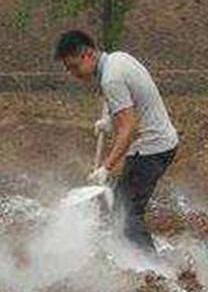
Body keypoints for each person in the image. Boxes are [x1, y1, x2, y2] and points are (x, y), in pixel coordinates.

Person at [54, 30, 179, 255]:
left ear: (87, 55)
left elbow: (129, 128)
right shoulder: (118, 59)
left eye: (74, 67)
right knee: (123, 207)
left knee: (126, 213)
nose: (74, 74)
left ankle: (152, 269)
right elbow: (132, 108)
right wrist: (110, 121)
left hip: (151, 148)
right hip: (157, 142)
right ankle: (134, 260)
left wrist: (106, 167)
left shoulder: (111, 78)